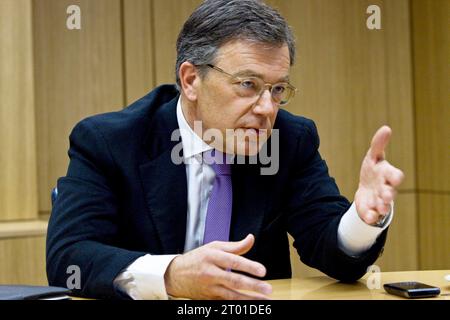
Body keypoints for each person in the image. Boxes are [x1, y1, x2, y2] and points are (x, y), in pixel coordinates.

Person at [46, 0, 404, 300]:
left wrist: (363, 217)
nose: (266, 108)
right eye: (248, 85)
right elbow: (69, 259)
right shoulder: (111, 141)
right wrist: (171, 275)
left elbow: (335, 255)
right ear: (191, 81)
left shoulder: (288, 139)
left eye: (277, 89)